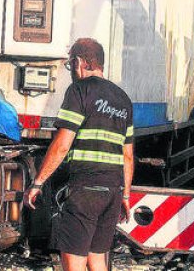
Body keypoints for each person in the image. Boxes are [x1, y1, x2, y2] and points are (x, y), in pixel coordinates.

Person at [25, 39, 135, 271]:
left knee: (74, 263)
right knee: (97, 262)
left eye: (71, 64)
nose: (71, 70)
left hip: (85, 191)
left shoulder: (79, 91)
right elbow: (127, 155)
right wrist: (125, 195)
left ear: (80, 62)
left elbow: (62, 144)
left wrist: (38, 182)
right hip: (112, 193)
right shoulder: (123, 99)